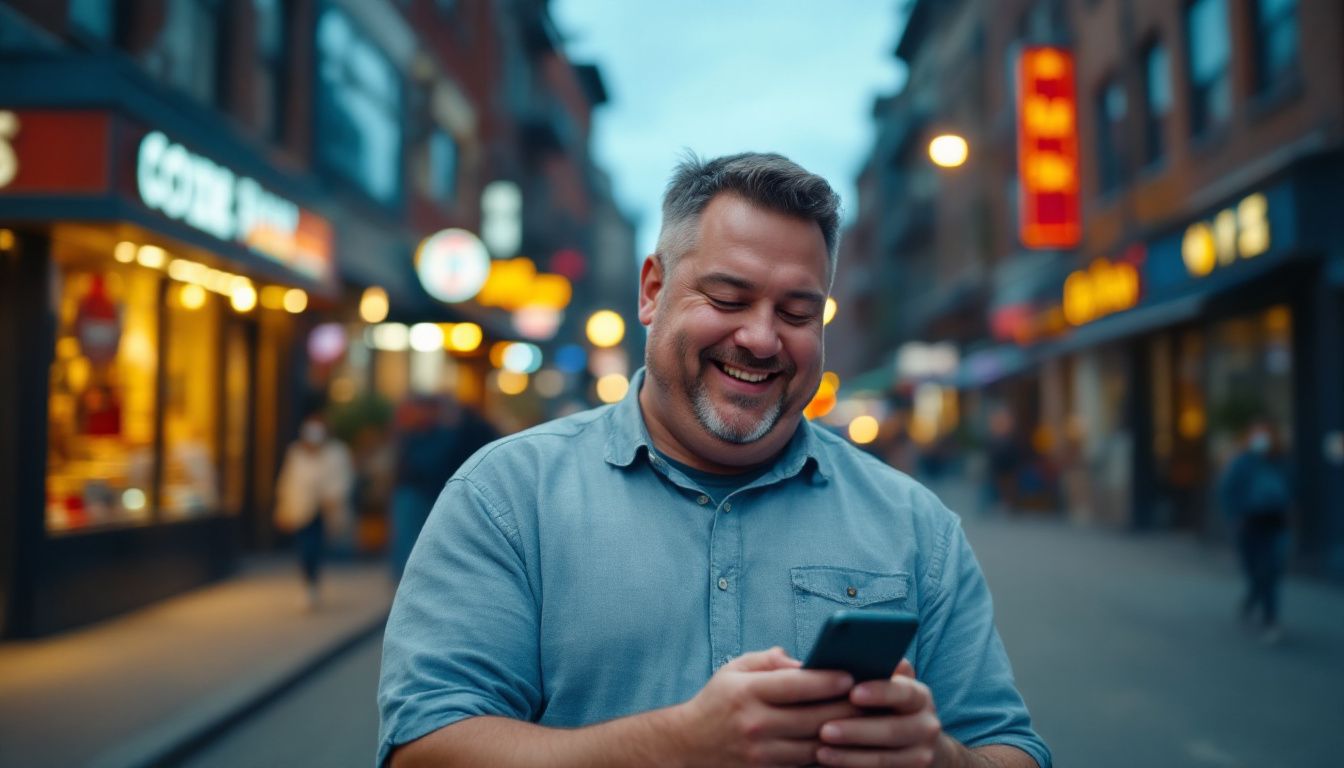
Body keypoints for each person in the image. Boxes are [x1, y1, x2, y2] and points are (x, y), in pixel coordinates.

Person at [378, 153, 1050, 768]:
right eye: (728, 298)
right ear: (651, 291)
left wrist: (939, 758)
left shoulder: (916, 526)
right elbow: (424, 748)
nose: (760, 338)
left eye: (796, 312)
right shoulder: (505, 497)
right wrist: (676, 745)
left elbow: (1012, 748)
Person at [389, 395, 498, 582]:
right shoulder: (417, 433)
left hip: (424, 493)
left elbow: (429, 463)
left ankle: (414, 577)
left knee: (416, 538)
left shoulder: (440, 435)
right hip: (415, 492)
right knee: (408, 538)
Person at [1217, 419, 1292, 643]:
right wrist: (1235, 516)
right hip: (1249, 524)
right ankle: (1252, 599)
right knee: (1254, 570)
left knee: (1270, 571)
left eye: (1265, 434)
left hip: (1275, 523)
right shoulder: (1242, 462)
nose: (1262, 439)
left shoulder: (1281, 461)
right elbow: (1227, 490)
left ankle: (1270, 618)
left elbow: (1294, 489)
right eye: (1257, 434)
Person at [274, 411, 353, 610]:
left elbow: (343, 478)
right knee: (305, 548)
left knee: (314, 547)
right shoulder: (296, 452)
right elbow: (288, 481)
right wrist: (282, 508)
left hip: (324, 509)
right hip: (300, 508)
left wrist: (334, 497)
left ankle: (312, 583)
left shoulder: (337, 452)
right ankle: (308, 584)